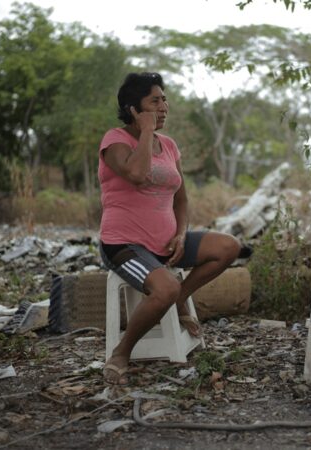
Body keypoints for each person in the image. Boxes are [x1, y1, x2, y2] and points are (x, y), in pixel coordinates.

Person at [98, 72, 240, 385]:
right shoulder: (115, 141)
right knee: (165, 287)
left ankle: (180, 298)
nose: (164, 106)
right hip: (123, 245)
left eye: (164, 100)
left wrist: (180, 234)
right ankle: (121, 353)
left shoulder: (170, 146)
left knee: (228, 247)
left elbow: (182, 201)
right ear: (134, 108)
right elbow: (136, 173)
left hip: (165, 242)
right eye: (155, 101)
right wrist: (145, 131)